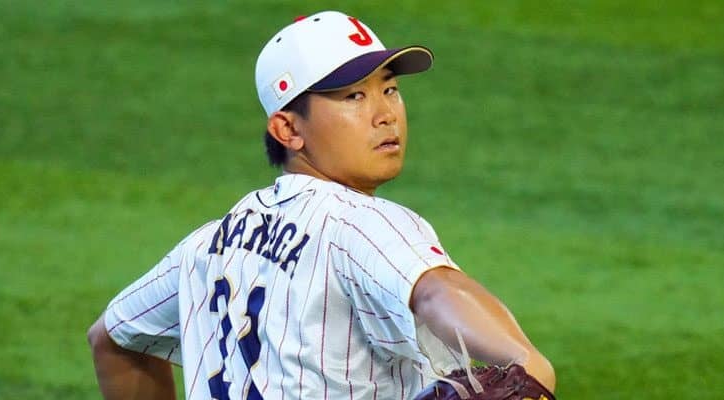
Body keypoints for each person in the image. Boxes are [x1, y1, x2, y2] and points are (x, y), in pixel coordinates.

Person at [87, 10, 555, 400]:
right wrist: (528, 363)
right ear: (288, 129)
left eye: (389, 88)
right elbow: (434, 291)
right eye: (354, 96)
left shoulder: (207, 245)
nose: (385, 114)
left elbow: (112, 339)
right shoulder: (360, 224)